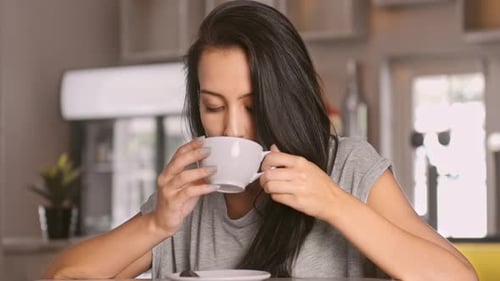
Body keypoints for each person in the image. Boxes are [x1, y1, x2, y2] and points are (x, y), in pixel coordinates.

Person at [44, 1, 478, 280]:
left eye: (253, 107)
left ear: (285, 99)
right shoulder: (187, 199)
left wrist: (333, 203)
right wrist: (155, 223)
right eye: (214, 107)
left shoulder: (346, 166)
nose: (232, 129)